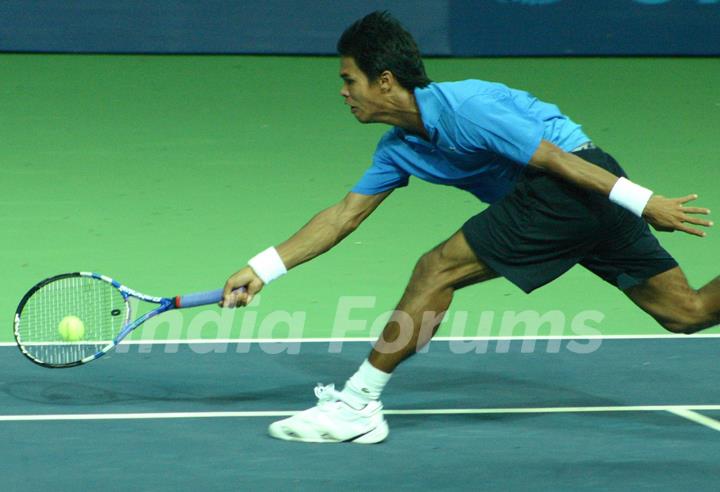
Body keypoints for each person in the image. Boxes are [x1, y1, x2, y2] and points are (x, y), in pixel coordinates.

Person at [220, 11, 719, 443]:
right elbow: (343, 215)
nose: (344, 92)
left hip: (571, 183)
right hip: (573, 200)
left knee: (436, 270)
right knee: (686, 311)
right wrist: (264, 267)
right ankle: (356, 407)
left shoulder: (465, 108)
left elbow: (554, 158)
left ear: (386, 80)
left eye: (350, 79)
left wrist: (645, 201)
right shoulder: (399, 147)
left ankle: (357, 406)